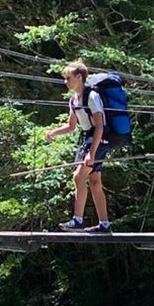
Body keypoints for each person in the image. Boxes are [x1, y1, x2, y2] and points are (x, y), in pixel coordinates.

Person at [44, 61, 112, 233]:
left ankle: (78, 220)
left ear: (79, 77)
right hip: (88, 139)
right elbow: (71, 126)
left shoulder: (92, 96)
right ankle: (104, 225)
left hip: (98, 139)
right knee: (94, 181)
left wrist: (92, 153)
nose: (65, 82)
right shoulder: (74, 100)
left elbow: (100, 126)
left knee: (78, 177)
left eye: (68, 78)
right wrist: (54, 133)